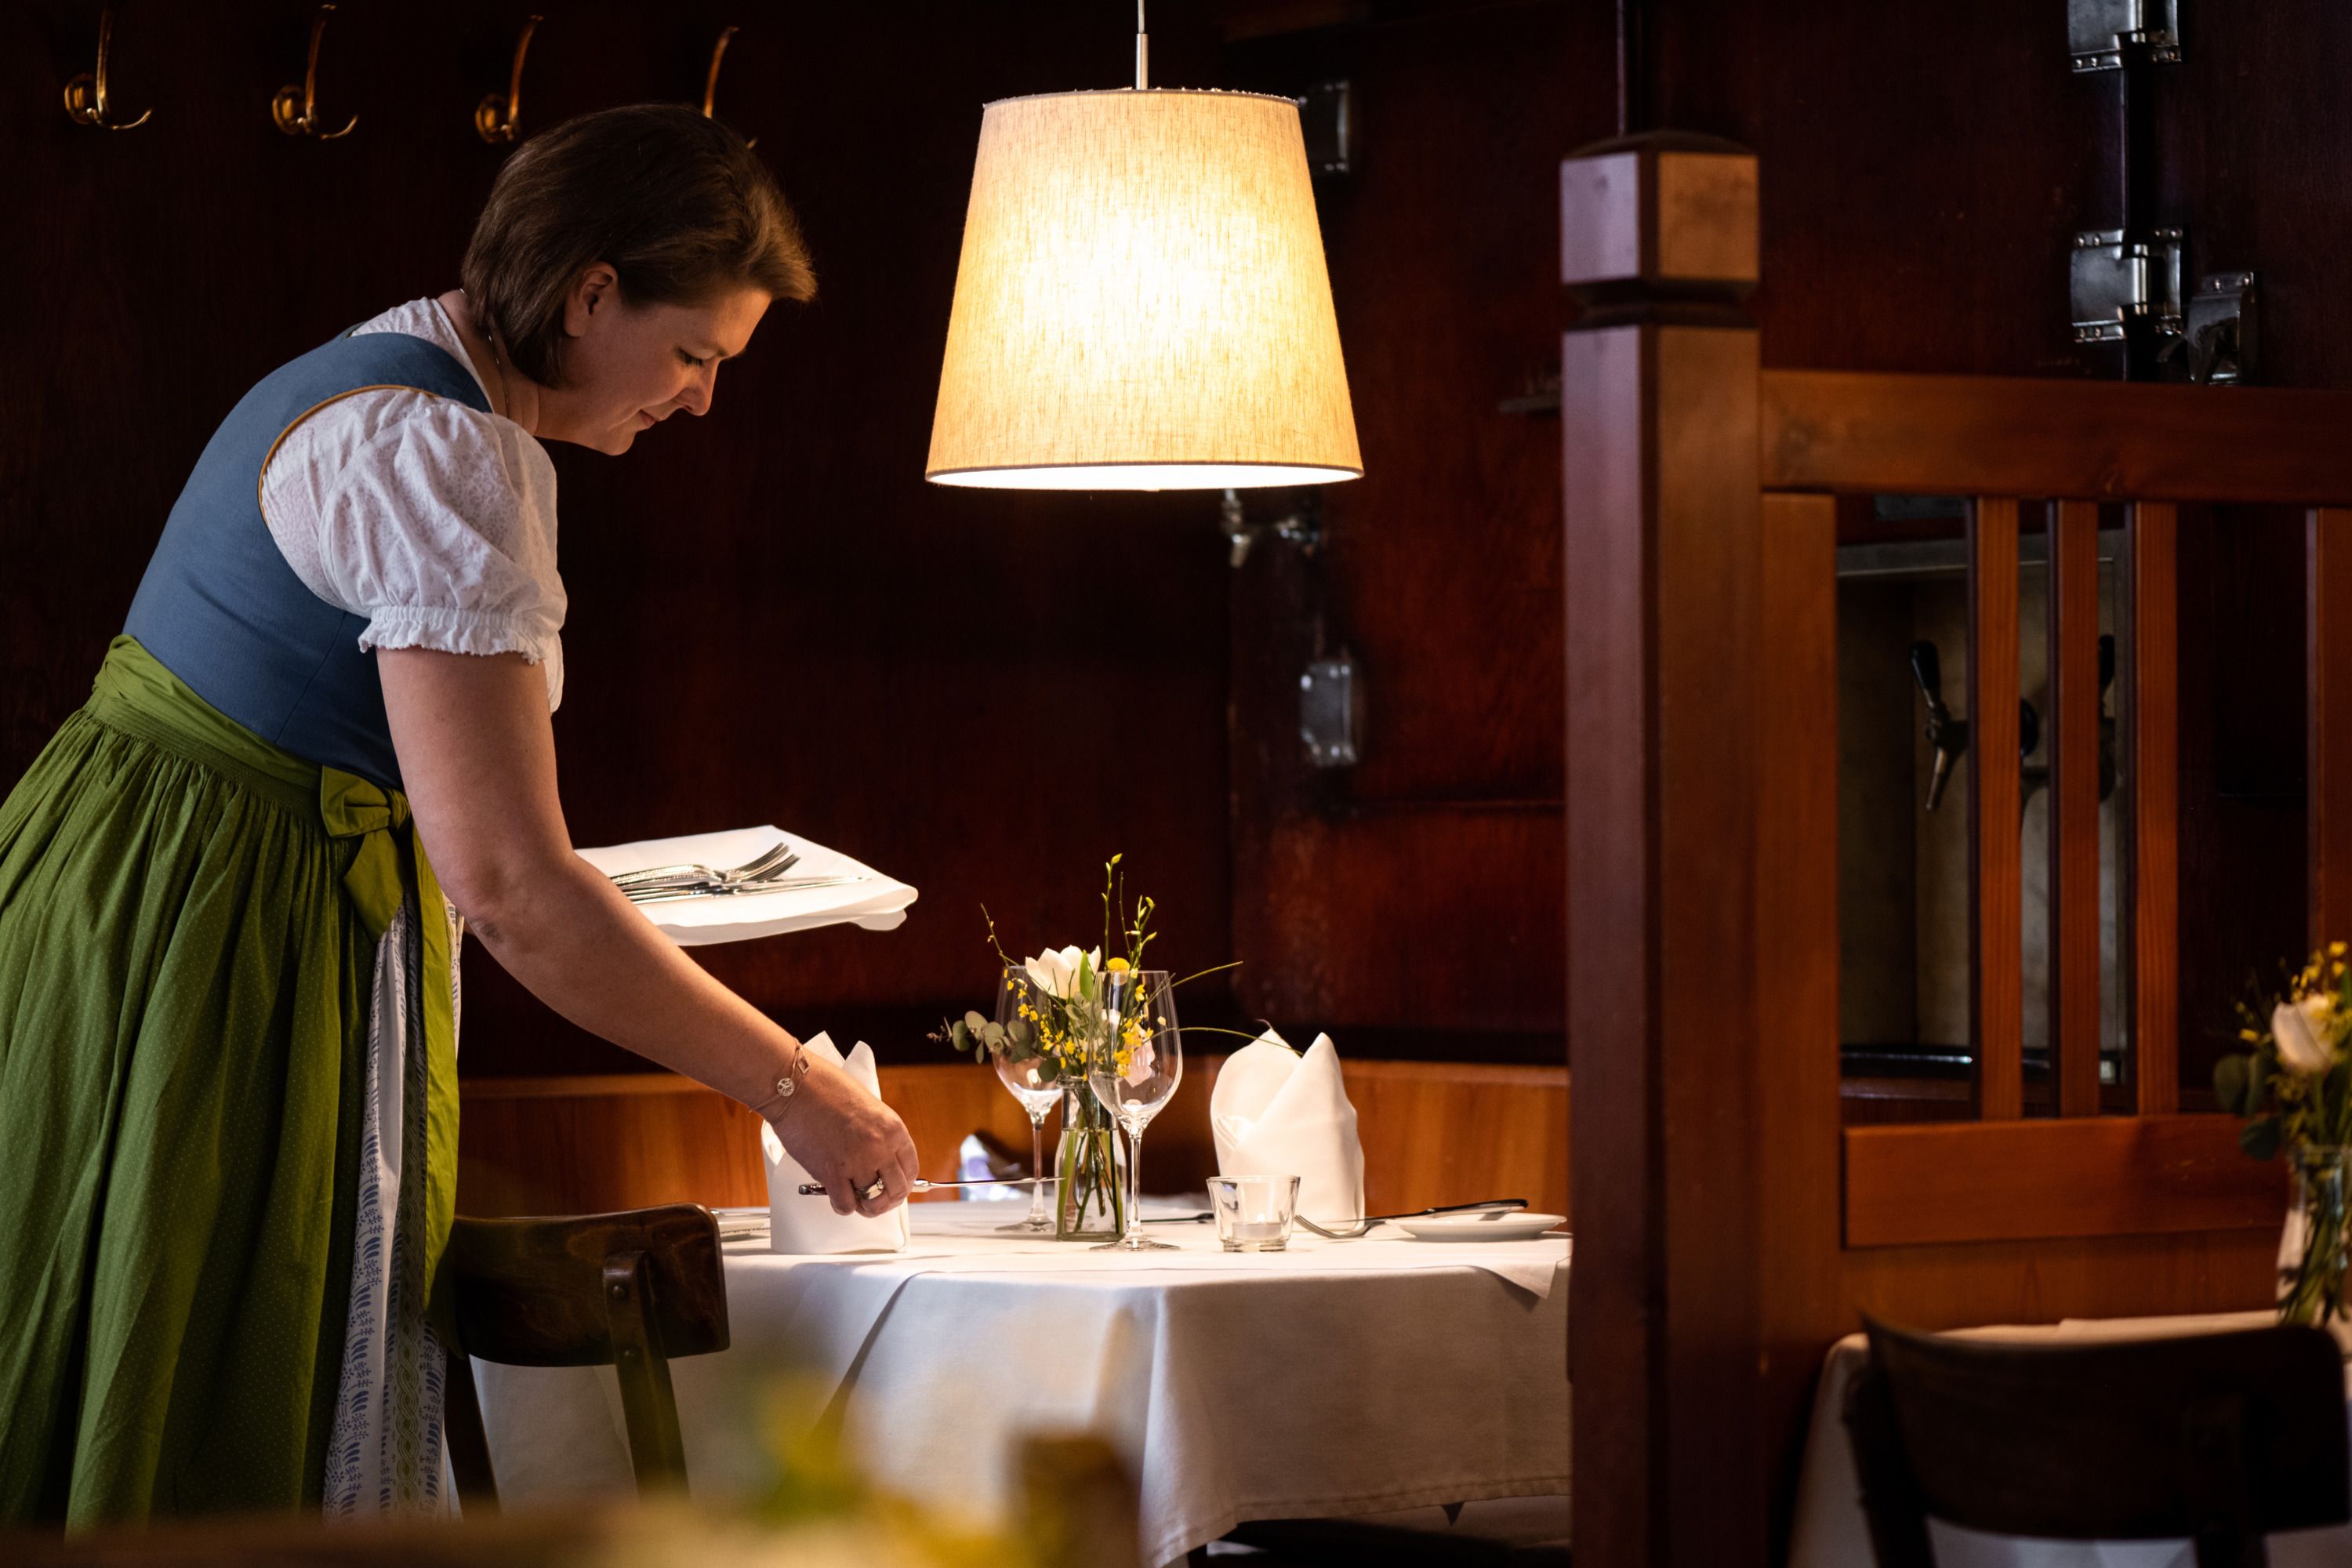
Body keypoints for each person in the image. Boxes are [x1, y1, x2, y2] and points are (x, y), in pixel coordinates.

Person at [0, 103, 920, 1527]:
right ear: (590, 290)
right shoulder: (441, 453)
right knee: (188, 1387)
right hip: (214, 939)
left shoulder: (380, 372)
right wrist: (799, 1095)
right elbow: (509, 890)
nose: (699, 400)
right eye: (693, 354)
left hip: (124, 886)